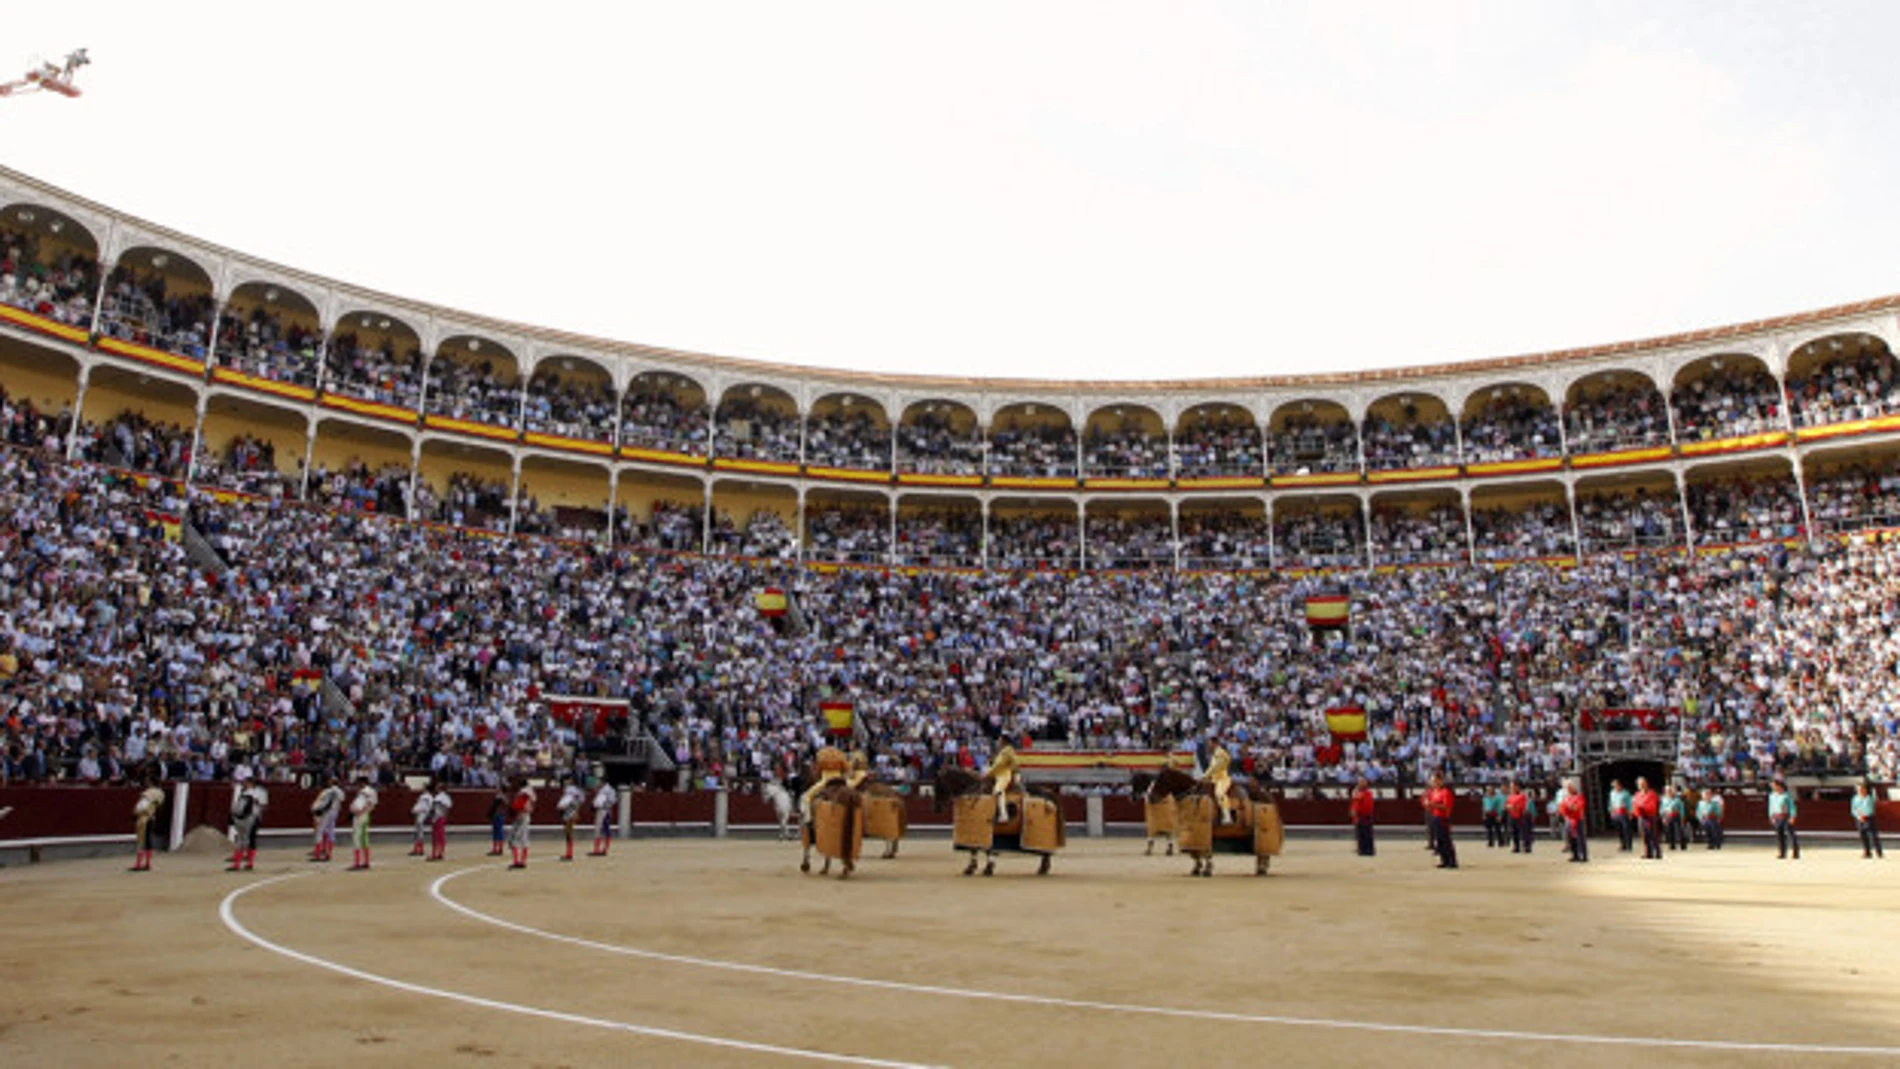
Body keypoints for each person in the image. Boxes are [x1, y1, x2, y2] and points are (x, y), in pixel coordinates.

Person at [227, 771, 267, 872]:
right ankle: (243, 863)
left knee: (247, 840)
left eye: (245, 782)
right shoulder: (245, 792)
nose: (244, 784)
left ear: (251, 783)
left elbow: (263, 805)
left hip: (253, 817)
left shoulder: (259, 792)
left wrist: (256, 802)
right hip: (246, 818)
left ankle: (246, 863)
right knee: (244, 840)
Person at [130, 772, 164, 872]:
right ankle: (148, 863)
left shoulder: (148, 793)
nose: (145, 783)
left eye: (147, 781)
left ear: (150, 782)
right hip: (152, 817)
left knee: (141, 841)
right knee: (149, 840)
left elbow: (142, 806)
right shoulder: (160, 793)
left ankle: (138, 864)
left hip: (144, 818)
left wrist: (136, 811)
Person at [1425, 772, 1457, 870]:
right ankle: (1444, 860)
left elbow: (1446, 806)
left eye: (1435, 781)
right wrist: (1429, 805)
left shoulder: (1445, 792)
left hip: (1443, 817)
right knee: (1439, 840)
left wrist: (1432, 804)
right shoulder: (1434, 792)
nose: (1434, 783)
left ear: (1440, 781)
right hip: (1435, 816)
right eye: (1433, 781)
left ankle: (1452, 861)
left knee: (1446, 839)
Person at [310, 773, 344, 862]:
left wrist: (315, 809)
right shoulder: (340, 792)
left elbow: (320, 803)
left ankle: (317, 853)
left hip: (325, 813)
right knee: (331, 832)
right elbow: (341, 802)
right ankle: (329, 854)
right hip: (334, 813)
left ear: (331, 782)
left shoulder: (326, 791)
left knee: (320, 831)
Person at [985, 744, 1023, 823]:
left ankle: (1003, 815)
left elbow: (999, 766)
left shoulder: (1007, 751)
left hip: (1005, 776)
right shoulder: (1001, 754)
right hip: (1001, 776)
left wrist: (987, 774)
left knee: (998, 791)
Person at [348, 775, 378, 871]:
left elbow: (369, 804)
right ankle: (366, 862)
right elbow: (372, 805)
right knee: (364, 838)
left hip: (360, 816)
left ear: (362, 783)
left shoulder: (365, 792)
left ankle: (357, 863)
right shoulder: (370, 791)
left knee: (357, 837)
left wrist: (359, 812)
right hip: (365, 816)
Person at [507, 778, 536, 869]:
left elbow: (519, 805)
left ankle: (517, 861)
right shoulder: (531, 793)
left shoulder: (523, 793)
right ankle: (522, 861)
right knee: (524, 838)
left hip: (520, 815)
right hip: (525, 816)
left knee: (513, 838)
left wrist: (514, 808)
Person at [1768, 779, 1800, 860]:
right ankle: (1782, 853)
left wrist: (1792, 816)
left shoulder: (1786, 796)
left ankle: (1795, 852)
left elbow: (1792, 807)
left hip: (1786, 816)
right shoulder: (1772, 796)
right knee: (1780, 835)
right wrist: (1771, 816)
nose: (1773, 787)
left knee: (1791, 835)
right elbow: (1771, 807)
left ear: (1779, 786)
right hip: (1777, 817)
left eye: (1774, 785)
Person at [1852, 782, 1883, 860]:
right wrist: (1859, 816)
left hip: (1869, 818)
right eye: (1858, 789)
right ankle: (1867, 852)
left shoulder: (1869, 798)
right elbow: (1853, 809)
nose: (1860, 791)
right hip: (1859, 818)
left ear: (1865, 790)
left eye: (1861, 789)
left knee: (1873, 836)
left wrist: (1863, 815)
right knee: (1863, 836)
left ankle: (1878, 852)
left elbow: (1870, 809)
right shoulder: (1855, 798)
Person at [1559, 777, 1588, 862]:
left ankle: (1583, 855)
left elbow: (1579, 807)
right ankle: (1575, 854)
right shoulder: (1567, 798)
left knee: (1580, 837)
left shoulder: (1579, 797)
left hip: (1577, 819)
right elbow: (1562, 808)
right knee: (1571, 838)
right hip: (1569, 819)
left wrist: (1571, 808)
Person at [557, 776, 586, 862]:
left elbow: (565, 802)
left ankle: (569, 853)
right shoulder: (579, 790)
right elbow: (581, 801)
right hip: (572, 811)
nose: (566, 782)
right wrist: (577, 810)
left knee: (568, 833)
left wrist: (561, 808)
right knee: (569, 833)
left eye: (568, 780)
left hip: (569, 811)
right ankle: (569, 852)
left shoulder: (569, 790)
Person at [1633, 777, 1661, 860]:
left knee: (1653, 835)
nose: (1641, 785)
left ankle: (1657, 852)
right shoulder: (1637, 795)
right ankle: (1647, 853)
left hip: (1650, 816)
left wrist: (1643, 807)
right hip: (1641, 817)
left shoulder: (1651, 793)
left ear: (1646, 784)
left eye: (1643, 783)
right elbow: (1634, 804)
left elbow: (1653, 805)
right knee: (1644, 836)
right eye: (1640, 784)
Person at [590, 780, 618, 857]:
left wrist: (603, 804)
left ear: (603, 782)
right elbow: (613, 800)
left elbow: (613, 801)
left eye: (600, 782)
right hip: (605, 810)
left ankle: (599, 849)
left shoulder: (607, 790)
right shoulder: (607, 790)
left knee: (599, 829)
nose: (598, 783)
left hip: (603, 810)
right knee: (605, 829)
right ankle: (603, 849)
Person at [426, 779, 451, 861]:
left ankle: (435, 854)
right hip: (441, 817)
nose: (436, 788)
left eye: (437, 787)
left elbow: (433, 809)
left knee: (436, 836)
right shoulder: (446, 797)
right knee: (441, 836)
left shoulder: (438, 797)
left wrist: (431, 816)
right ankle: (440, 853)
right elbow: (447, 808)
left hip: (437, 818)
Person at [1350, 775, 1375, 856]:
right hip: (1359, 816)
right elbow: (1354, 804)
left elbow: (1367, 806)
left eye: (1362, 782)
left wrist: (1359, 812)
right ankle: (1362, 850)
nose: (1360, 784)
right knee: (1360, 834)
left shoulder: (1367, 793)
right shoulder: (1358, 793)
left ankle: (1367, 850)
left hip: (1365, 816)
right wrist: (1353, 811)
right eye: (1360, 782)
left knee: (1366, 833)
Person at [1505, 781, 1531, 853]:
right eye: (1511, 787)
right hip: (1512, 815)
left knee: (1523, 832)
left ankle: (1526, 847)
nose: (1511, 788)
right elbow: (1506, 805)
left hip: (1521, 815)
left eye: (1513, 786)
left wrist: (1513, 807)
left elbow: (1522, 806)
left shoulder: (1522, 796)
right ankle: (1516, 847)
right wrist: (1509, 807)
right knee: (1514, 832)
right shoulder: (1510, 796)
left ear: (1517, 787)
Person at [1608, 779, 1634, 852]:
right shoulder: (1612, 793)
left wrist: (1630, 812)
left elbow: (1630, 803)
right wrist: (1611, 811)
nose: (1615, 787)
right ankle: (1623, 844)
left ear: (1620, 785)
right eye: (1613, 786)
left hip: (1624, 813)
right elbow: (1611, 803)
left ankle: (1629, 845)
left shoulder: (1625, 793)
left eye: (1616, 785)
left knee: (1626, 830)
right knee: (1619, 830)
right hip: (1616, 813)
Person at [409, 784, 433, 857]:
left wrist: (416, 810)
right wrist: (414, 810)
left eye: (423, 787)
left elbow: (428, 806)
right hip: (419, 813)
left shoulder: (428, 797)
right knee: (417, 831)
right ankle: (417, 848)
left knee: (419, 830)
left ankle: (420, 849)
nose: (422, 788)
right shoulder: (423, 796)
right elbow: (419, 805)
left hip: (422, 813)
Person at [1661, 785, 1688, 851]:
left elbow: (1681, 809)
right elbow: (1661, 809)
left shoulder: (1677, 799)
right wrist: (1663, 816)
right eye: (1667, 791)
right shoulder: (1663, 800)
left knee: (1680, 830)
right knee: (1670, 831)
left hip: (1677, 815)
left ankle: (1683, 845)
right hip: (1668, 816)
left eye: (1670, 790)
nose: (1669, 792)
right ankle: (1672, 845)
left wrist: (1682, 817)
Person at [486, 784, 509, 857]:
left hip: (497, 816)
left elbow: (494, 807)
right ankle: (499, 848)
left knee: (497, 832)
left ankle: (497, 849)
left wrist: (489, 814)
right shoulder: (505, 798)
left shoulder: (499, 797)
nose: (496, 789)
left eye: (498, 788)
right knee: (499, 832)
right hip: (501, 816)